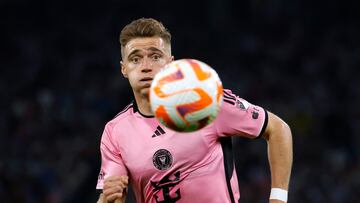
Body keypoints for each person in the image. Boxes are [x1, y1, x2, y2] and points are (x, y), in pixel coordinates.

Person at [96, 18, 293, 203]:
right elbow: (114, 196)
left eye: (155, 56)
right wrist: (106, 198)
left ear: (170, 62)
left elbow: (278, 129)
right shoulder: (116, 132)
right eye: (136, 59)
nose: (146, 67)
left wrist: (278, 199)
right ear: (124, 69)